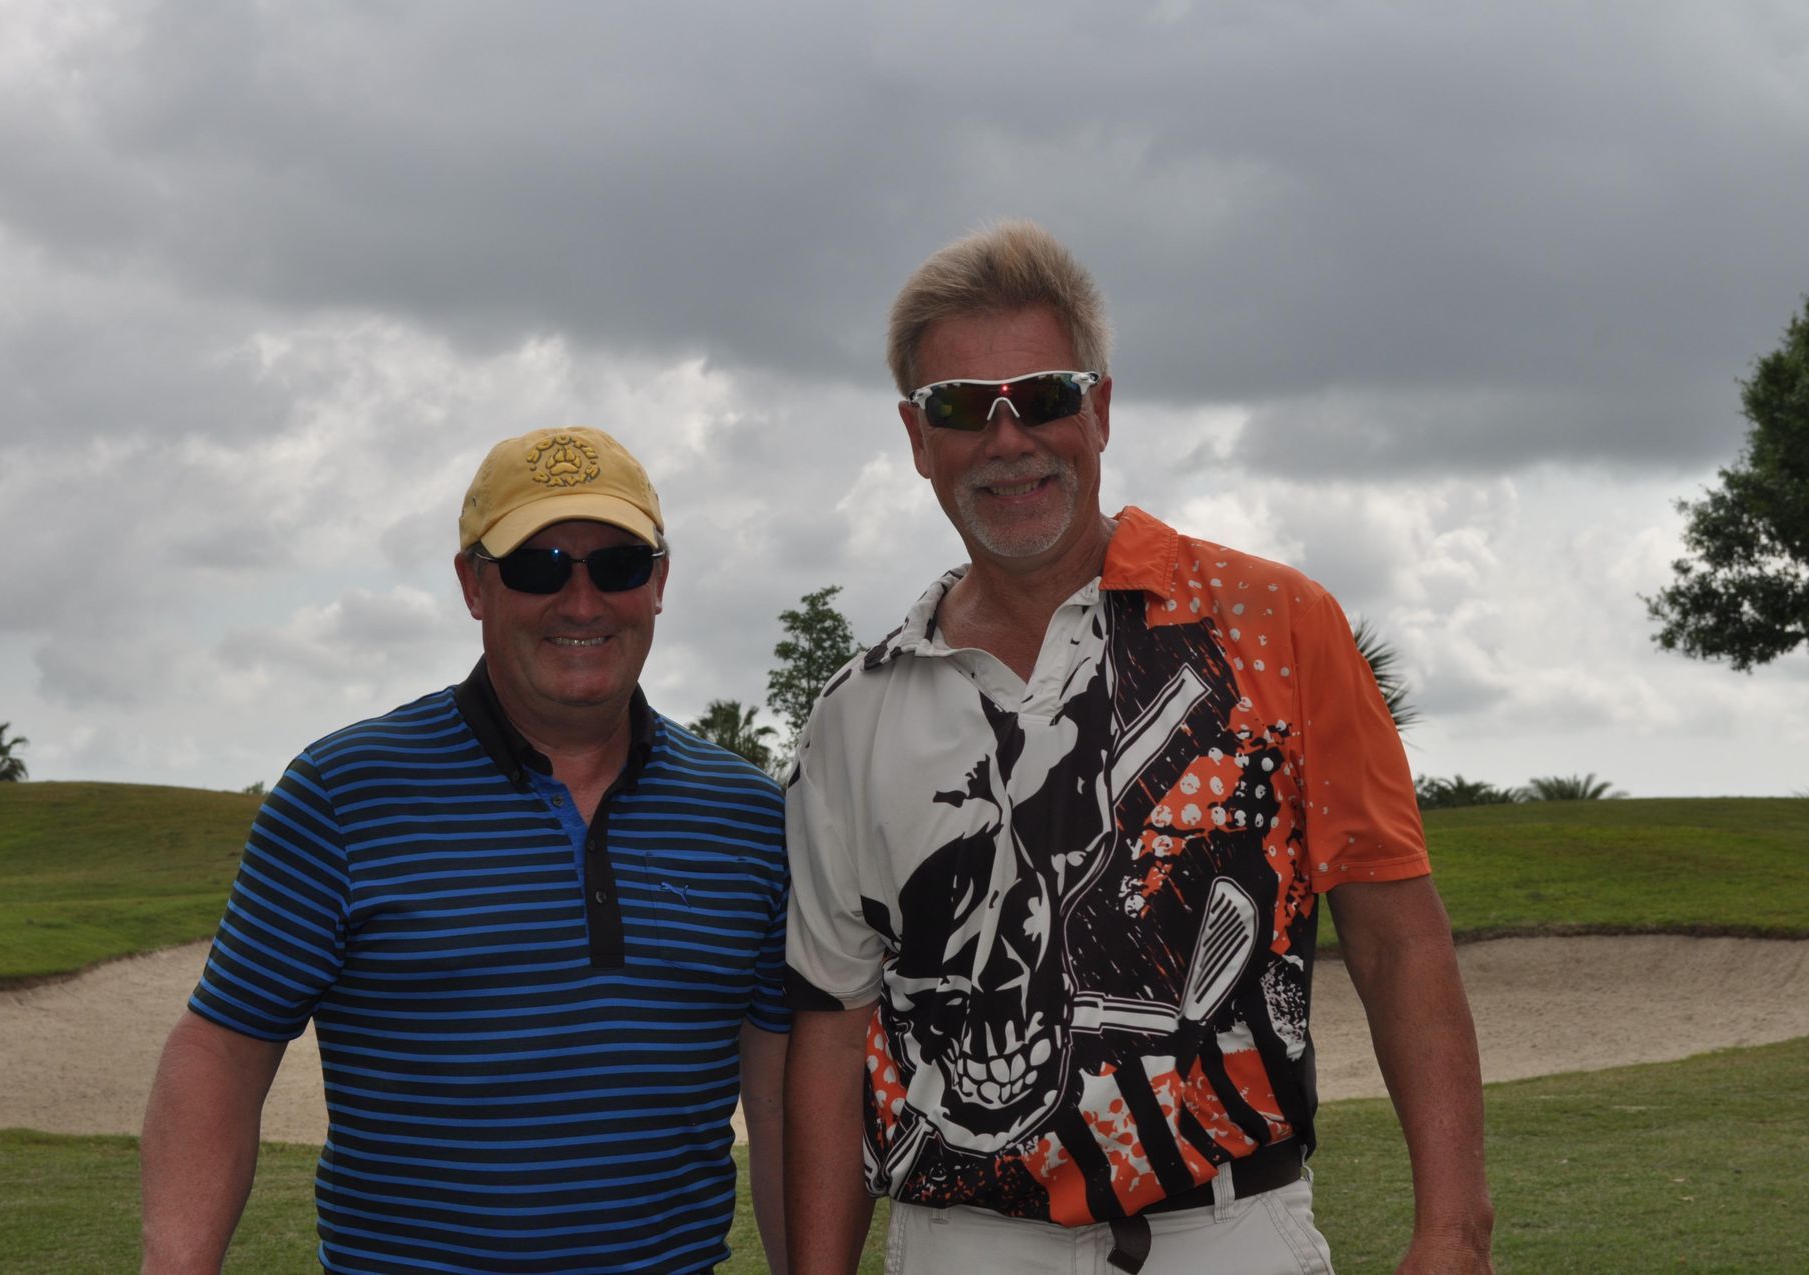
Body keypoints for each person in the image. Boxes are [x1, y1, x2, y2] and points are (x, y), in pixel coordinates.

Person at [782, 223, 1494, 1274]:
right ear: (916, 437)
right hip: (957, 1244)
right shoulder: (855, 714)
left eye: (1047, 395)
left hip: (1232, 1234)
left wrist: (1454, 1231)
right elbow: (835, 1030)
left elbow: (1397, 940)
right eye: (963, 407)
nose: (1009, 438)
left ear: (1101, 409)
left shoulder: (1277, 626)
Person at [141, 427, 790, 1275]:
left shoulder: (748, 815)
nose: (582, 601)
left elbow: (780, 1097)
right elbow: (222, 1051)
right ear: (472, 584)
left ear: (660, 581)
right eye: (538, 565)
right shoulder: (344, 792)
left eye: (619, 564)